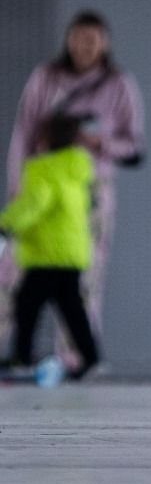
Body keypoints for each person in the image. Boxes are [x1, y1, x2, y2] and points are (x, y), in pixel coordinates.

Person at [6, 11, 145, 343]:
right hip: (41, 186)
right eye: (78, 38)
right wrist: (17, 188)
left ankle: (78, 357)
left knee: (85, 279)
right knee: (14, 272)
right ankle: (12, 350)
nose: (84, 47)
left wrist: (97, 142)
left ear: (104, 43)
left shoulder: (117, 84)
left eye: (92, 40)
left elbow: (134, 146)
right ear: (68, 40)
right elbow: (23, 134)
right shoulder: (45, 78)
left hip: (88, 192)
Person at [0, 113, 99, 379]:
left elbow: (35, 203)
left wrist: (5, 224)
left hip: (47, 252)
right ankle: (91, 357)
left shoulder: (43, 168)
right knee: (71, 307)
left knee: (27, 304)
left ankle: (22, 358)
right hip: (72, 250)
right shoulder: (78, 168)